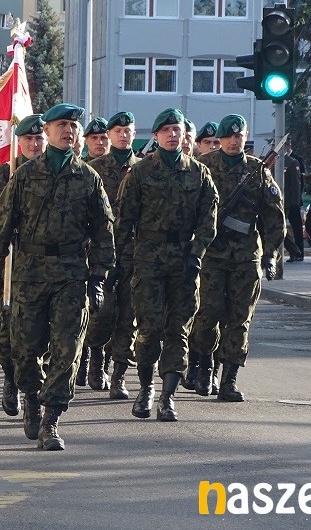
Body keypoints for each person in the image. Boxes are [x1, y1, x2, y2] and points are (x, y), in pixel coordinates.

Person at [0, 102, 115, 451]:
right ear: (47, 131)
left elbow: (103, 231)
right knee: (26, 348)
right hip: (28, 273)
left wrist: (98, 278)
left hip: (71, 273)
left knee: (68, 348)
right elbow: (3, 225)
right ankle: (30, 396)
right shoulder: (25, 175)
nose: (68, 131)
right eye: (61, 125)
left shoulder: (88, 177)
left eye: (73, 126)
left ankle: (52, 419)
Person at [115, 108, 217, 422]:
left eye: (177, 130)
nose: (173, 135)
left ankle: (167, 396)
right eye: (167, 130)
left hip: (184, 260)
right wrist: (122, 260)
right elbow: (124, 220)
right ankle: (146, 388)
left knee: (178, 330)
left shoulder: (198, 173)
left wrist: (196, 253)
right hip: (148, 260)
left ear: (184, 135)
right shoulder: (141, 172)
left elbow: (208, 219)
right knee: (149, 329)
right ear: (157, 135)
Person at [190, 114, 285, 403]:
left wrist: (271, 254)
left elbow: (273, 216)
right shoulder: (203, 167)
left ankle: (229, 379)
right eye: (228, 137)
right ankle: (205, 365)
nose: (234, 141)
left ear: (245, 138)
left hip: (245, 256)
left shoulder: (257, 171)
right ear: (219, 139)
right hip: (211, 255)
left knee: (239, 319)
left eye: (239, 136)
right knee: (207, 315)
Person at [0, 113, 46, 415]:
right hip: (14, 260)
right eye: (28, 139)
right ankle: (10, 378)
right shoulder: (5, 172)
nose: (34, 144)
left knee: (42, 334)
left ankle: (34, 390)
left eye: (38, 138)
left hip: (49, 267)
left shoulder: (56, 173)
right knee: (8, 328)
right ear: (18, 142)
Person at [84, 111, 141, 400]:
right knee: (102, 313)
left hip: (136, 254)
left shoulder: (144, 169)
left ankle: (118, 374)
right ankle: (96, 356)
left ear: (134, 134)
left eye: (127, 131)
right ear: (110, 135)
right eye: (117, 131)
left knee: (130, 316)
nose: (122, 135)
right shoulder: (93, 170)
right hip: (103, 253)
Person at [283, 151, 305, 262]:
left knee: (296, 228)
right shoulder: (274, 160)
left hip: (290, 201)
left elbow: (296, 183)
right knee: (279, 228)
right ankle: (294, 251)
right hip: (277, 201)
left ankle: (298, 252)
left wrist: (295, 202)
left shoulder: (292, 162)